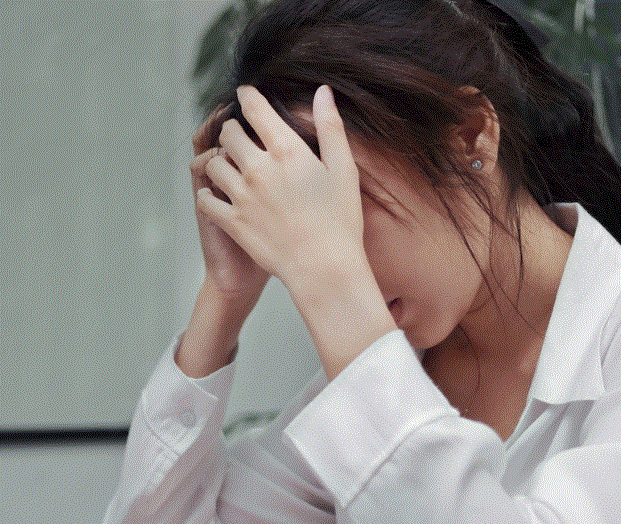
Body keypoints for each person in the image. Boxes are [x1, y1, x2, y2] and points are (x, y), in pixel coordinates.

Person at [103, 0, 621, 522]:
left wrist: (334, 289)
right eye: (313, 224)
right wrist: (224, 294)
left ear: (469, 135)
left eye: (346, 205)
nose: (337, 257)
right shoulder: (398, 367)